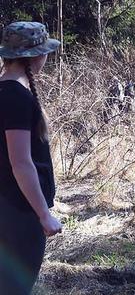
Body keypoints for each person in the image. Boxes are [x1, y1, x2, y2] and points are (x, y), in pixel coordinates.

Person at [0, 22, 63, 295]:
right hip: (18, 211)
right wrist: (44, 214)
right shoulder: (15, 97)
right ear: (36, 56)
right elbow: (21, 162)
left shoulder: (5, 91)